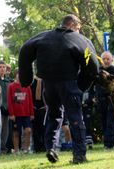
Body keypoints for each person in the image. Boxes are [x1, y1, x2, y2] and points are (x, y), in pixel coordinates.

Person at [18, 14, 99, 164]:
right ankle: (79, 155)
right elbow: (91, 62)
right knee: (75, 117)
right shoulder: (78, 39)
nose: (78, 32)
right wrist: (83, 84)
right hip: (69, 84)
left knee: (53, 115)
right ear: (73, 25)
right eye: (78, 29)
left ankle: (51, 149)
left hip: (48, 85)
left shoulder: (43, 37)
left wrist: (26, 80)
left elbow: (25, 51)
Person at [7, 68, 34, 154]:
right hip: (16, 114)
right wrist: (11, 114)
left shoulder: (27, 86)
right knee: (16, 133)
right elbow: (9, 101)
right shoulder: (11, 86)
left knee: (28, 130)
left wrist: (32, 113)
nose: (20, 76)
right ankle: (16, 150)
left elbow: (30, 100)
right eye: (18, 74)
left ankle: (27, 149)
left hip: (26, 114)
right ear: (15, 75)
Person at [0, 60, 12, 154]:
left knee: (5, 131)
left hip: (8, 110)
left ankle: (3, 149)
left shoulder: (8, 81)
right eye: (0, 67)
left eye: (3, 67)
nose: (2, 69)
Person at [31, 75, 46, 153]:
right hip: (34, 109)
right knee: (35, 130)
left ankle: (44, 146)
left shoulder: (45, 80)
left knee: (44, 129)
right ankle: (37, 148)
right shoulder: (32, 81)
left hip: (44, 108)